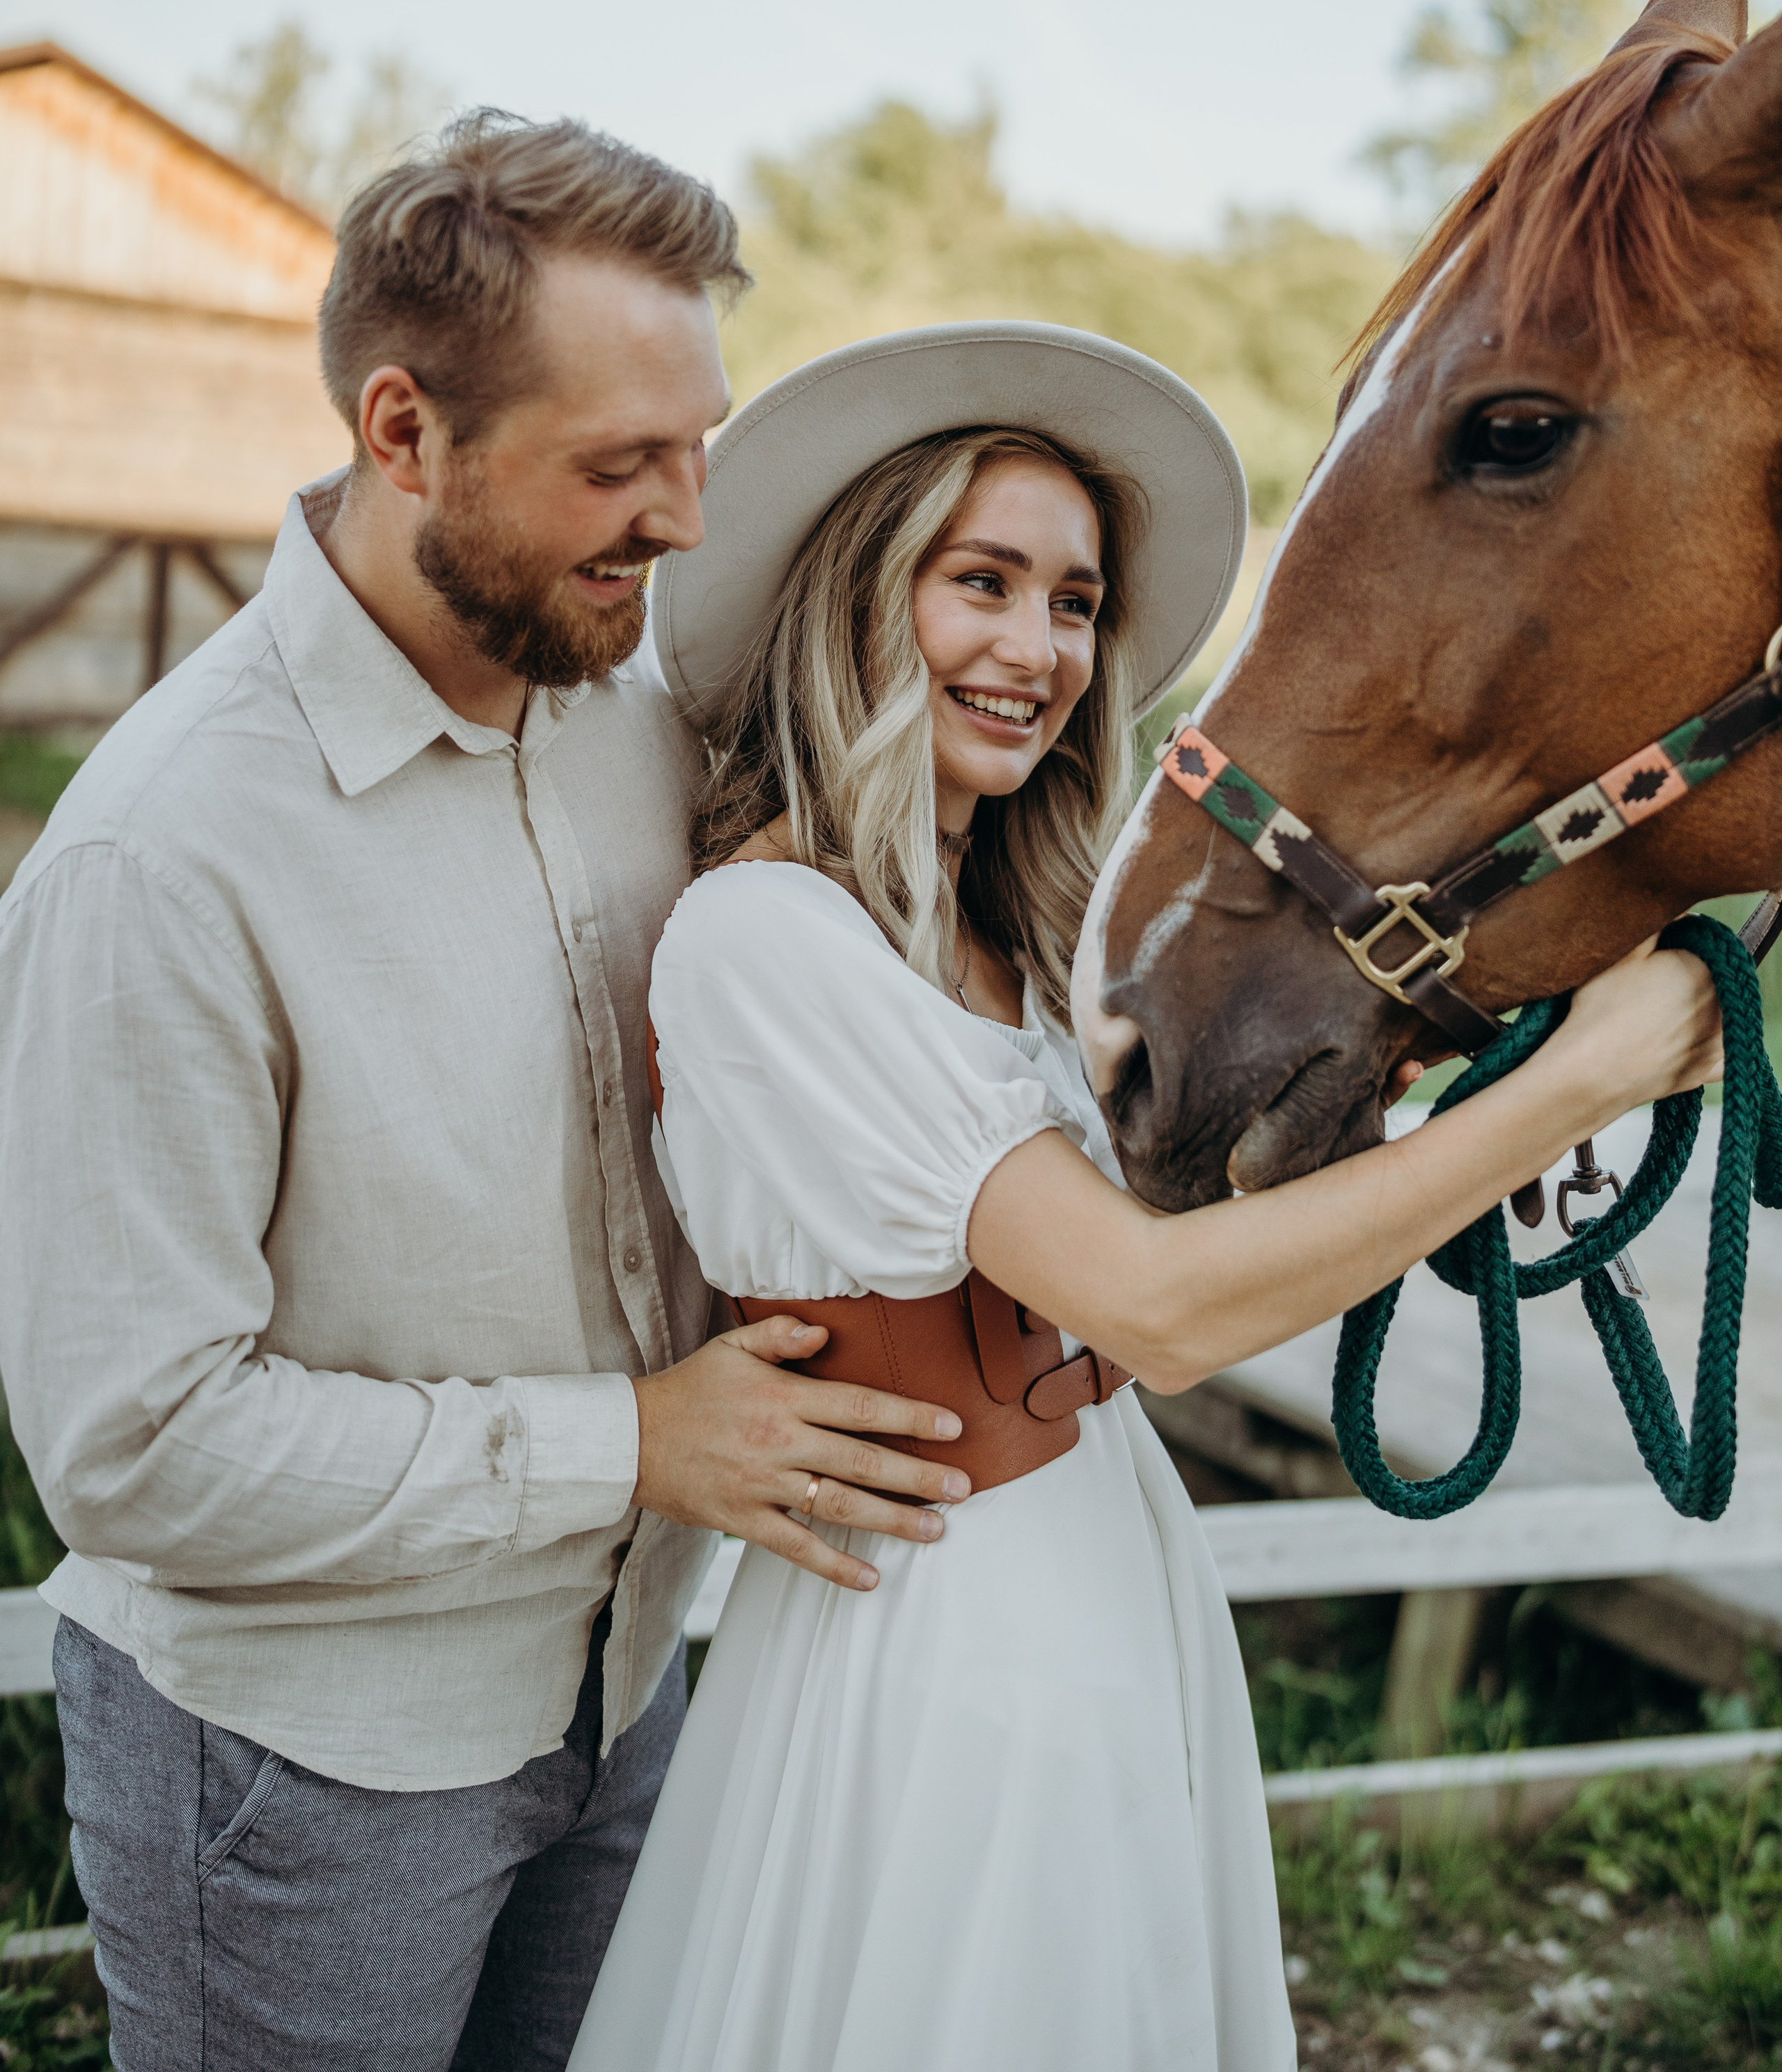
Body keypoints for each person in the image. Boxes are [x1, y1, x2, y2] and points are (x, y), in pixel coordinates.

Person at [571, 322, 1724, 2072]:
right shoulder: (767, 937)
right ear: (857, 596)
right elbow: (1162, 1311)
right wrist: (1578, 1088)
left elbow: (1209, 1256)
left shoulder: (1004, 945)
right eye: (982, 582)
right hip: (956, 1622)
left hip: (1097, 1551)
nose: (1036, 647)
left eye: (1075, 603)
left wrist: (1476, 1051)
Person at [0, 117, 972, 2072]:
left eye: (698, 443)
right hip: (298, 1776)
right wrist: (636, 1447)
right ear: (402, 429)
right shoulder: (161, 859)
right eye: (620, 466)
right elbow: (130, 1449)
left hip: (623, 1703)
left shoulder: (642, 719)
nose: (687, 519)